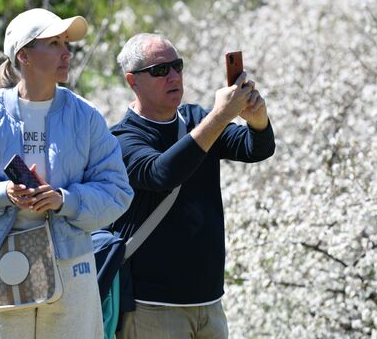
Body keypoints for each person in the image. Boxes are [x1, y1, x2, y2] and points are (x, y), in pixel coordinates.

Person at [0, 8, 134, 339]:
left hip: (71, 264)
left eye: (66, 43)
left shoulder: (85, 117)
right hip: (4, 264)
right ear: (23, 55)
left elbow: (117, 191)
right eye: (54, 43)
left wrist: (63, 200)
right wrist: (2, 194)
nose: (66, 53)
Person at [110, 33, 275, 338]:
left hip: (210, 302)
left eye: (177, 66)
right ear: (133, 82)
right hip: (152, 307)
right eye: (160, 70)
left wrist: (258, 119)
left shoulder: (196, 118)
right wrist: (220, 116)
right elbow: (161, 175)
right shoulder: (121, 138)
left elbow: (255, 149)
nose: (173, 76)